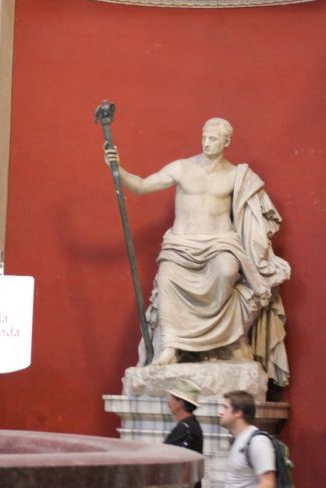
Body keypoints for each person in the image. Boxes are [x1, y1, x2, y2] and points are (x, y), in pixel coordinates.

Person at [104, 118, 290, 385]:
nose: (206, 142)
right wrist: (118, 169)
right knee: (167, 278)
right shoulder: (182, 168)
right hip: (181, 245)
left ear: (226, 142)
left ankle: (219, 343)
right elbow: (142, 186)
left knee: (227, 271)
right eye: (204, 137)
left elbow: (254, 215)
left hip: (219, 243)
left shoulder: (236, 176)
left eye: (213, 138)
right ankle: (171, 347)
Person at [219, 390, 275, 488]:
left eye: (226, 408)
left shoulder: (258, 441)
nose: (220, 412)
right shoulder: (239, 440)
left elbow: (268, 484)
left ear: (238, 413)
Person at [164, 379, 203, 488]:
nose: (168, 403)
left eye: (172, 398)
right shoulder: (191, 425)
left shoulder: (185, 429)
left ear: (181, 402)